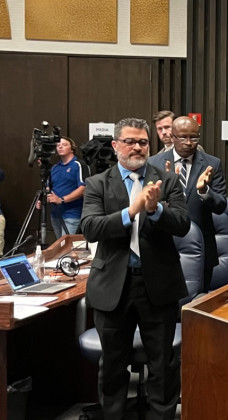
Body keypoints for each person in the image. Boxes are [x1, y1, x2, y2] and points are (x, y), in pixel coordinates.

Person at [81, 117, 190, 419]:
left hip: (158, 287)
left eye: (142, 141)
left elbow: (182, 224)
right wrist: (133, 210)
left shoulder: (166, 181)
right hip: (113, 288)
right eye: (130, 141)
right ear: (116, 145)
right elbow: (90, 228)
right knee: (113, 366)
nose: (137, 147)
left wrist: (155, 210)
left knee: (163, 366)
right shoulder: (97, 184)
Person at [149, 116, 227, 293]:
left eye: (194, 137)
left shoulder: (212, 163)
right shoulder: (154, 163)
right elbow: (146, 205)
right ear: (172, 137)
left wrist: (204, 191)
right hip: (163, 244)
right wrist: (165, 195)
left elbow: (221, 205)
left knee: (197, 303)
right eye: (183, 137)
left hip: (201, 246)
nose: (189, 143)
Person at [46, 137, 89, 237]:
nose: (60, 147)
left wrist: (61, 199)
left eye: (64, 145)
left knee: (67, 247)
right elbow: (49, 188)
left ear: (72, 148)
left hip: (72, 214)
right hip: (55, 214)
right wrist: (43, 199)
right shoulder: (55, 168)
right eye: (58, 145)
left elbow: (84, 188)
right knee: (60, 246)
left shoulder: (78, 164)